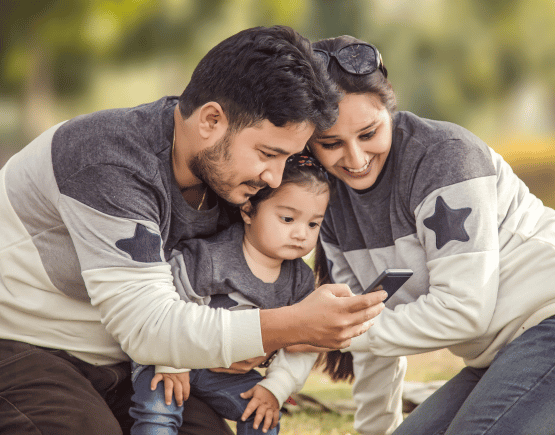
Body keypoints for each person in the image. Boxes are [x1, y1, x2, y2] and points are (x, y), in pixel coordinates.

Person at [0, 27, 388, 435]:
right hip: (24, 343)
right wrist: (290, 324)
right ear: (211, 120)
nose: (275, 178)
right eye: (268, 154)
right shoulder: (106, 159)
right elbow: (147, 326)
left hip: (134, 362)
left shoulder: (228, 174)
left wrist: (242, 341)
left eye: (287, 158)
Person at [293, 35, 555, 435]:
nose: (356, 159)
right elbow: (366, 323)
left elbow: (463, 312)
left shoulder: (446, 156)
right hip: (499, 356)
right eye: (331, 144)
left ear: (390, 103)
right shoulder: (330, 201)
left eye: (368, 133)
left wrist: (334, 336)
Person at [129, 153, 330, 435]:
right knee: (158, 413)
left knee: (262, 414)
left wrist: (275, 388)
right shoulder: (211, 256)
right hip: (168, 358)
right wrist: (170, 363)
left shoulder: (300, 280)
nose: (301, 234)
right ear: (248, 211)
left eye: (313, 224)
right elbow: (163, 307)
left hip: (223, 375)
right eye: (287, 218)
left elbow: (300, 344)